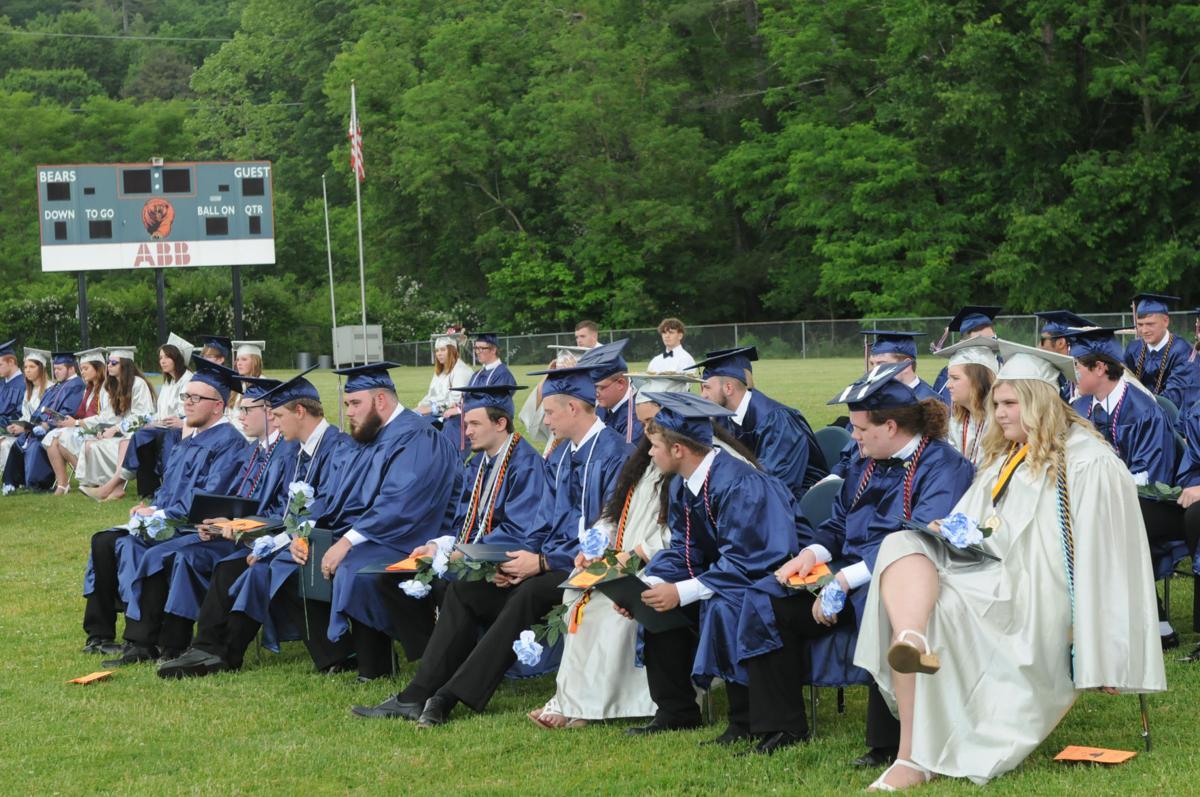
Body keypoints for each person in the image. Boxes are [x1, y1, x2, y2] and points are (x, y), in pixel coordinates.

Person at [854, 340, 1165, 789]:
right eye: (996, 402)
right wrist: (950, 528)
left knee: (945, 606)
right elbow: (976, 519)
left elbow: (1106, 561)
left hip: (1036, 591)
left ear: (1038, 403)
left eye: (1009, 403)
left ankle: (913, 753)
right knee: (901, 544)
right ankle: (911, 643)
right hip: (984, 568)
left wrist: (1104, 649)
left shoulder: (1087, 461)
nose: (998, 413)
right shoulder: (1005, 456)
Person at [352, 364, 629, 725]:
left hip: (588, 565)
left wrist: (542, 563)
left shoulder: (616, 454)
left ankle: (449, 696)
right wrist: (515, 562)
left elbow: (609, 533)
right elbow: (541, 522)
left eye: (548, 412)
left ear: (573, 408)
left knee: (527, 595)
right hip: (548, 559)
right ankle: (417, 694)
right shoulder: (561, 455)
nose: (543, 421)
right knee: (467, 589)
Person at [738, 362, 974, 759]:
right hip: (846, 570)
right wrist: (809, 555)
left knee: (881, 612)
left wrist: (845, 581)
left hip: (906, 576)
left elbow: (918, 539)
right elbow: (836, 524)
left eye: (862, 429)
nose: (853, 436)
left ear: (892, 427)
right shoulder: (863, 464)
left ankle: (889, 740)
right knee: (766, 597)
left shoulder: (944, 468)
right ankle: (781, 724)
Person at [530, 373, 748, 729]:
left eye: (652, 423)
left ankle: (595, 705)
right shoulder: (647, 457)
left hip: (677, 566)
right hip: (639, 557)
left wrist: (634, 557)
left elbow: (680, 535)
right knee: (579, 591)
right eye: (644, 423)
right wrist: (595, 546)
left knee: (607, 607)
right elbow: (615, 511)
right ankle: (573, 699)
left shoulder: (710, 464)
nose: (645, 434)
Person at [620, 392, 798, 746]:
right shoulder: (683, 485)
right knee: (657, 603)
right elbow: (683, 550)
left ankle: (744, 721)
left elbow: (750, 559)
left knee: (722, 605)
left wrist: (682, 591)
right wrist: (648, 585)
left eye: (654, 445)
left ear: (678, 450)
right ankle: (676, 710)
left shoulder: (738, 483)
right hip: (726, 572)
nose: (649, 453)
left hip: (769, 574)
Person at [274, 362, 464, 681]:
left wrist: (347, 541)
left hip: (413, 536)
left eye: (354, 403)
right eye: (347, 404)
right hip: (374, 533)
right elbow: (336, 495)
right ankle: (339, 654)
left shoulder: (417, 437)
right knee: (290, 561)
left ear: (380, 401)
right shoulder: (372, 437)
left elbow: (400, 504)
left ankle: (376, 664)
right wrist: (306, 532)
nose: (348, 411)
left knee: (353, 568)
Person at [157, 369, 353, 678]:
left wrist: (269, 541)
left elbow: (328, 509)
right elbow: (286, 510)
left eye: (278, 414)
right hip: (291, 537)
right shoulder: (301, 452)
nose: (274, 421)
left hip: (324, 538)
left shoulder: (338, 449)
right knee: (229, 567)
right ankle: (206, 648)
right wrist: (251, 529)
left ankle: (225, 652)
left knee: (255, 569)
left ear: (299, 411)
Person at [101, 373, 293, 666]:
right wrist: (216, 523)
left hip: (253, 539)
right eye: (240, 409)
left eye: (246, 409)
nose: (240, 415)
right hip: (229, 532)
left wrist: (233, 525)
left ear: (269, 413)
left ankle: (171, 644)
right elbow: (238, 498)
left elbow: (280, 509)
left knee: (179, 556)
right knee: (154, 553)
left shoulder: (284, 452)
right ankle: (146, 643)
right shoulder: (257, 450)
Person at [80, 359, 251, 657]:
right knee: (103, 541)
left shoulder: (229, 443)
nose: (187, 403)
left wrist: (160, 514)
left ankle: (143, 640)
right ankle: (99, 634)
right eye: (186, 396)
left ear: (218, 406)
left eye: (195, 398)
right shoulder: (190, 438)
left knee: (139, 550)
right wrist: (151, 506)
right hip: (167, 519)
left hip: (191, 526)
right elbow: (169, 487)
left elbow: (208, 497)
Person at [1064, 326, 1179, 648]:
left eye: (1078, 367)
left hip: (1150, 500)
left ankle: (1158, 624)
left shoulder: (1143, 410)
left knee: (1103, 523)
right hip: (1098, 496)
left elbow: (1150, 475)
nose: (1073, 374)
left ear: (1100, 368)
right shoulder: (1083, 407)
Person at [693, 346, 827, 500]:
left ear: (728, 388)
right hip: (752, 492)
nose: (702, 395)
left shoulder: (777, 420)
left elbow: (776, 482)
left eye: (707, 388)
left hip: (800, 500)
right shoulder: (723, 418)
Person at [88, 337, 194, 501]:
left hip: (183, 429)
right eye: (160, 358)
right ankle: (146, 490)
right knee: (140, 436)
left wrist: (183, 421)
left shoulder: (189, 380)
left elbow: (190, 410)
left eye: (167, 357)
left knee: (144, 437)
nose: (162, 361)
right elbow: (160, 412)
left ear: (177, 358)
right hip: (163, 427)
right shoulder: (169, 382)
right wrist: (154, 422)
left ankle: (112, 486)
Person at [73, 346, 158, 491]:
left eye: (114, 363)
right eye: (108, 363)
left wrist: (116, 429)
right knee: (92, 443)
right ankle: (97, 483)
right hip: (121, 432)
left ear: (125, 365)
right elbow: (110, 416)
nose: (109, 366)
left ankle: (112, 487)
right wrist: (104, 429)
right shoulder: (113, 386)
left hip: (137, 434)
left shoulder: (138, 384)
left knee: (106, 445)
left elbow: (142, 416)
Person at [2, 351, 85, 491]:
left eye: (59, 369)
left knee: (35, 444)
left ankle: (38, 484)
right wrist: (28, 425)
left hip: (59, 428)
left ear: (71, 369)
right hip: (44, 427)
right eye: (55, 369)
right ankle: (12, 483)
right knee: (20, 442)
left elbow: (67, 412)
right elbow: (40, 410)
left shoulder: (76, 385)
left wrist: (47, 425)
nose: (56, 372)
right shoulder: (57, 386)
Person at [1123, 293, 1200, 414]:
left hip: (1172, 419)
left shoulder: (1184, 352)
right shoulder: (1133, 349)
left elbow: (1174, 397)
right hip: (1137, 415)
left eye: (1150, 324)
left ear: (1165, 321)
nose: (1144, 330)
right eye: (1140, 324)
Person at [443, 333, 516, 458]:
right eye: (476, 348)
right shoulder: (478, 373)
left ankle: (454, 462)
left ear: (493, 350)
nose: (477, 352)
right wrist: (459, 404)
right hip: (472, 417)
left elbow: (494, 402)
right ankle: (449, 460)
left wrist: (460, 409)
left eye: (482, 348)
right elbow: (468, 396)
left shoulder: (502, 373)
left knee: (453, 426)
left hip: (492, 420)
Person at [40, 348, 106, 486]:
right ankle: (62, 484)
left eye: (86, 368)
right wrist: (64, 421)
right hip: (85, 426)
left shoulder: (106, 389)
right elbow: (80, 413)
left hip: (100, 429)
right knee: (52, 437)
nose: (82, 372)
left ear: (98, 368)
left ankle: (87, 479)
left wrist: (75, 422)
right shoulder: (89, 389)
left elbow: (104, 418)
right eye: (81, 369)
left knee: (62, 438)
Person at [934, 338, 1000, 468]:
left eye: (955, 378)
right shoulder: (957, 420)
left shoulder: (1000, 422)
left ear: (978, 382)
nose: (948, 385)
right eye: (948, 378)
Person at [578, 339, 643, 445]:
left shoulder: (635, 419)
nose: (596, 394)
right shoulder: (605, 405)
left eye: (601, 388)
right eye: (593, 387)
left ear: (621, 383)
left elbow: (626, 459)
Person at [931, 306, 1000, 404]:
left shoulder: (1006, 368)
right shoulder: (947, 376)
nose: (987, 347)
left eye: (992, 339)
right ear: (964, 343)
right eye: (980, 342)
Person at [1, 348, 50, 474]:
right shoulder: (29, 391)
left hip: (42, 433)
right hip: (25, 431)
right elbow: (25, 415)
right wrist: (16, 426)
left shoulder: (50, 389)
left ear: (41, 368)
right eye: (26, 367)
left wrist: (24, 428)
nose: (27, 370)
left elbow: (45, 418)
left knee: (7, 444)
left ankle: (16, 479)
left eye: (31, 367)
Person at [1034, 310, 1096, 402]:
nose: (1038, 346)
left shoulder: (1082, 369)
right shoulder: (1059, 369)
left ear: (1060, 343)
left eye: (1042, 341)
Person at [415, 335, 474, 422]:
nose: (439, 353)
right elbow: (431, 395)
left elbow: (457, 403)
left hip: (452, 418)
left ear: (452, 351)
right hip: (435, 413)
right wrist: (419, 407)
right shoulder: (440, 372)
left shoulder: (461, 371)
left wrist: (430, 409)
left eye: (443, 350)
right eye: (437, 351)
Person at [0, 339, 26, 426]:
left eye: (0, 365)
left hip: (12, 433)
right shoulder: (1, 384)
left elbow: (20, 415)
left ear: (11, 362)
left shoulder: (24, 384)